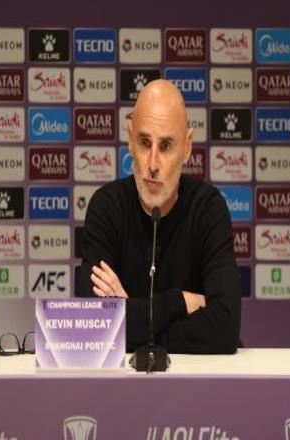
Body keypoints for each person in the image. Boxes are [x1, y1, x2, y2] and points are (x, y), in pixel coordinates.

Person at [76, 79, 241, 354]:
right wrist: (179, 303)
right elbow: (89, 326)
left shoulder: (208, 209)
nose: (152, 165)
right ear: (130, 140)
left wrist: (129, 318)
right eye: (144, 143)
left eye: (165, 146)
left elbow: (225, 329)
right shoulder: (107, 208)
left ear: (187, 147)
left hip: (199, 380)